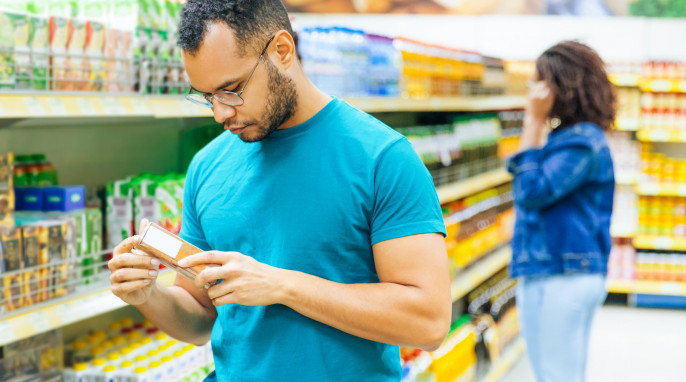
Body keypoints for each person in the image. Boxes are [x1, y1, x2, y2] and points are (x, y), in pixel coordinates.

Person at [107, 0, 452, 381]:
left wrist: (282, 286)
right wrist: (148, 295)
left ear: (282, 51)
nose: (220, 114)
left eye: (231, 90)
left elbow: (429, 323)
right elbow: (200, 318)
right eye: (206, 97)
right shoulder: (207, 167)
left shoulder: (381, 158)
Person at [507, 40, 616, 382]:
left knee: (555, 375)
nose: (533, 90)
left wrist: (533, 121)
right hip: (568, 271)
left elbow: (530, 191)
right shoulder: (576, 137)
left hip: (558, 274)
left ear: (560, 85)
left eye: (539, 81)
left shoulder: (581, 141)